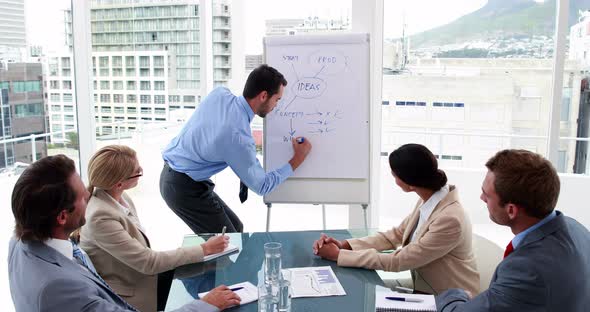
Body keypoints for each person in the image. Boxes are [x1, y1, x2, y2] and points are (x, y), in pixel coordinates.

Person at [9, 154, 240, 312]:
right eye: (82, 196)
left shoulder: (20, 242)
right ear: (62, 216)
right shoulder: (59, 288)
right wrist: (207, 304)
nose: (89, 196)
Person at [79, 145, 237, 312]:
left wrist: (205, 252)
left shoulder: (119, 197)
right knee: (216, 298)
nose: (141, 170)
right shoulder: (100, 217)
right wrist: (204, 248)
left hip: (143, 275)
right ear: (119, 183)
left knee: (212, 275)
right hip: (133, 294)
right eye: (137, 171)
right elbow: (148, 262)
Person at [160, 64, 312, 234]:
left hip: (182, 177)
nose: (277, 105)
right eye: (277, 99)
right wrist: (297, 158)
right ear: (263, 96)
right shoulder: (237, 137)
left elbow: (217, 131)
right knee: (230, 245)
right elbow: (262, 186)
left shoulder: (220, 94)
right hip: (183, 188)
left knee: (236, 230)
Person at [312, 144, 479, 295]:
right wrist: (345, 245)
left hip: (449, 299)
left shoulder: (449, 220)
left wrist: (339, 255)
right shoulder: (431, 198)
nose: (394, 180)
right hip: (424, 287)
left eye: (395, 175)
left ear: (411, 183)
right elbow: (395, 235)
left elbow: (399, 260)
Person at [436, 149, 590, 311]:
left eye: (486, 195)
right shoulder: (576, 229)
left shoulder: (527, 269)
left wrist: (455, 294)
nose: (482, 199)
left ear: (511, 210)